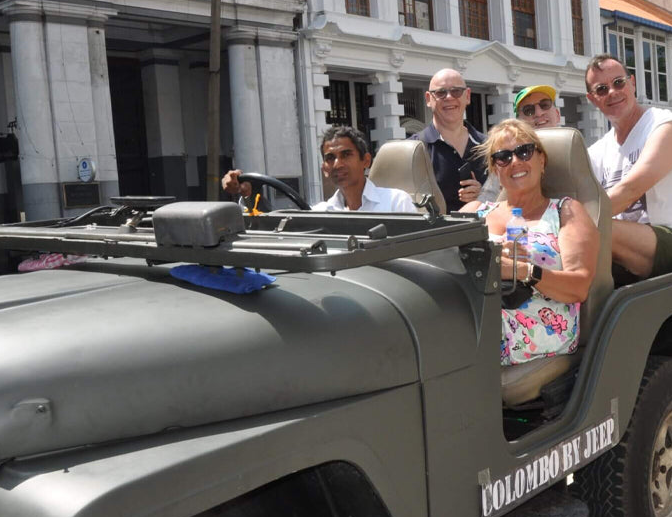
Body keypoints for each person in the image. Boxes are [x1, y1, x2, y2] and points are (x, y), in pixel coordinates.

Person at [461, 119, 598, 366]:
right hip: (478, 313)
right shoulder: (475, 211)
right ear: (494, 169)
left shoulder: (565, 211)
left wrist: (522, 270)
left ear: (541, 159)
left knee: (445, 334)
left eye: (524, 151)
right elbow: (439, 256)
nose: (515, 162)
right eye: (503, 157)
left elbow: (579, 287)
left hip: (539, 325)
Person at [584, 54, 672, 279]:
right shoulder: (597, 152)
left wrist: (573, 222)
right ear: (592, 99)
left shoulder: (665, 125)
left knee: (593, 230)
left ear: (633, 83)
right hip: (632, 246)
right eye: (601, 89)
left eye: (619, 82)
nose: (612, 92)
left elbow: (631, 189)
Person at [223, 126, 417, 213]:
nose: (337, 164)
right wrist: (248, 194)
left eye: (346, 155)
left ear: (366, 161)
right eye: (330, 158)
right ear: (324, 168)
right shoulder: (320, 213)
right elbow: (274, 229)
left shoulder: (396, 202)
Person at [410, 68, 487, 211]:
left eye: (456, 91)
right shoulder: (412, 150)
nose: (449, 97)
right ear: (428, 99)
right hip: (434, 233)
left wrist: (483, 197)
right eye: (440, 92)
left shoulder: (490, 147)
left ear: (468, 96)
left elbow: (508, 199)